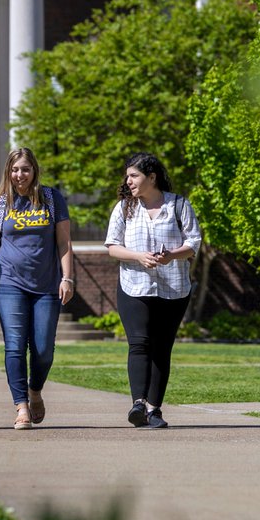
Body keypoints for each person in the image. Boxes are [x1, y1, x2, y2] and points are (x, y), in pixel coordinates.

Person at [0, 147, 74, 430]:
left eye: (25, 169)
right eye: (15, 169)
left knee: (43, 350)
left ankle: (35, 391)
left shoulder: (51, 199)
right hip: (9, 284)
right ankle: (21, 406)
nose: (20, 175)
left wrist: (67, 278)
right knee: (15, 346)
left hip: (46, 285)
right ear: (8, 171)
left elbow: (64, 242)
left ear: (34, 171)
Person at [105, 152, 201, 429]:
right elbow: (112, 246)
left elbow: (193, 242)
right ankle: (138, 403)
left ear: (152, 177)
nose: (128, 181)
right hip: (134, 286)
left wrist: (171, 255)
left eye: (134, 175)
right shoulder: (124, 208)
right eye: (127, 176)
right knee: (139, 343)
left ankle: (154, 409)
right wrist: (138, 257)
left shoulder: (179, 205)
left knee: (162, 348)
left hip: (174, 287)